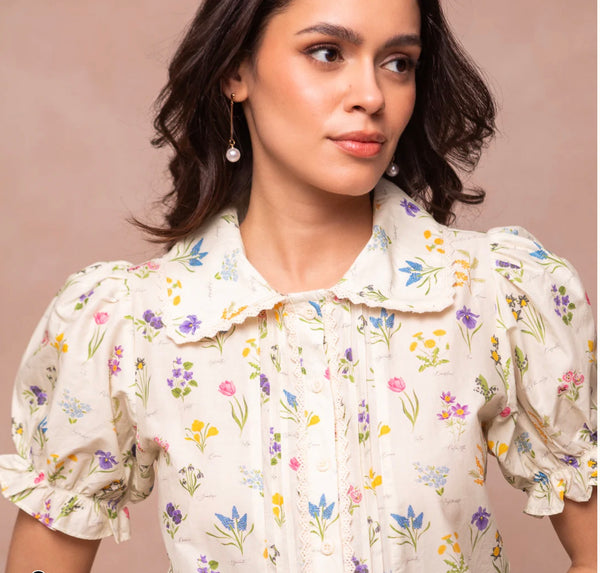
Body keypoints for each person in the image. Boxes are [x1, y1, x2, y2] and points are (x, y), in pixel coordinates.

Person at [1, 0, 596, 572]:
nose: (371, 96)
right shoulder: (129, 323)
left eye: (398, 63)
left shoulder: (496, 292)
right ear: (236, 70)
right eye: (327, 52)